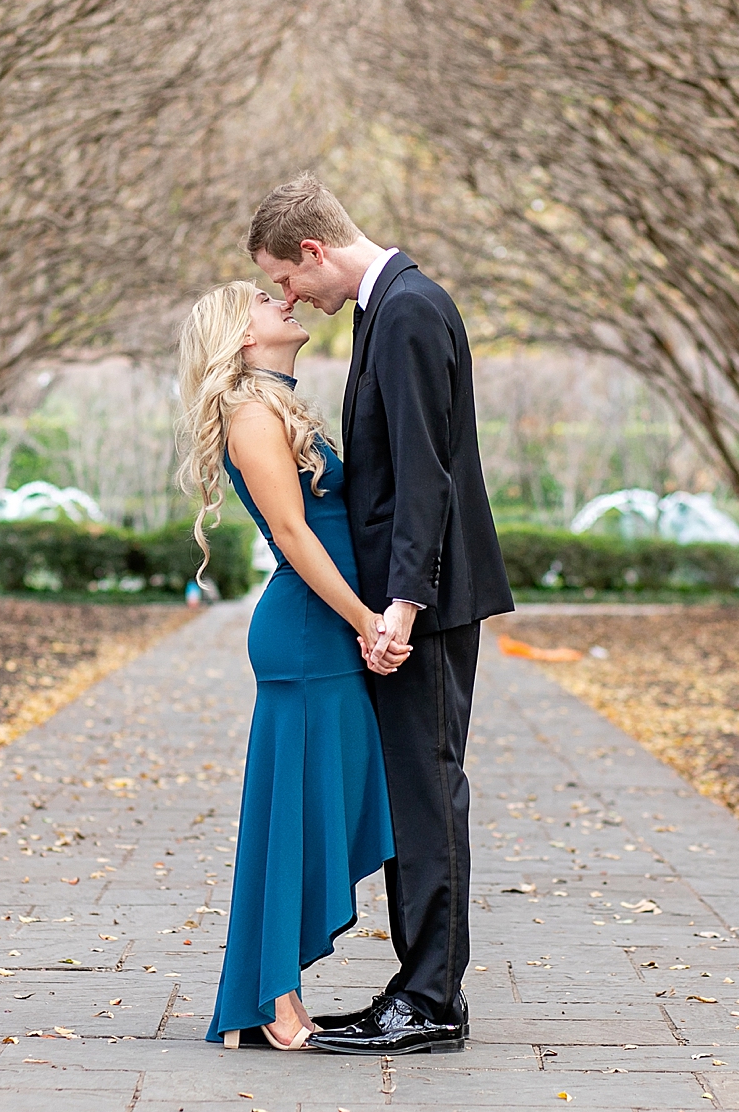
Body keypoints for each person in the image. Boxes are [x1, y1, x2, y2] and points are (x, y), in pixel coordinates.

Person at [248, 174, 514, 1055]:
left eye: (287, 280)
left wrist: (400, 605)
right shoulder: (389, 307)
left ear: (313, 251)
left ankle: (431, 1001)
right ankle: (420, 986)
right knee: (414, 797)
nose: (291, 298)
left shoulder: (403, 310)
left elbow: (425, 474)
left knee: (428, 797)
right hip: (420, 601)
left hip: (426, 608)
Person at [178, 280, 396, 1052]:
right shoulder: (248, 413)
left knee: (317, 807)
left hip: (325, 631)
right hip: (308, 634)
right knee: (294, 815)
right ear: (242, 335)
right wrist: (367, 620)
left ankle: (273, 990)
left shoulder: (278, 406)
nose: (286, 304)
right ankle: (270, 998)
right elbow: (292, 535)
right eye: (267, 303)